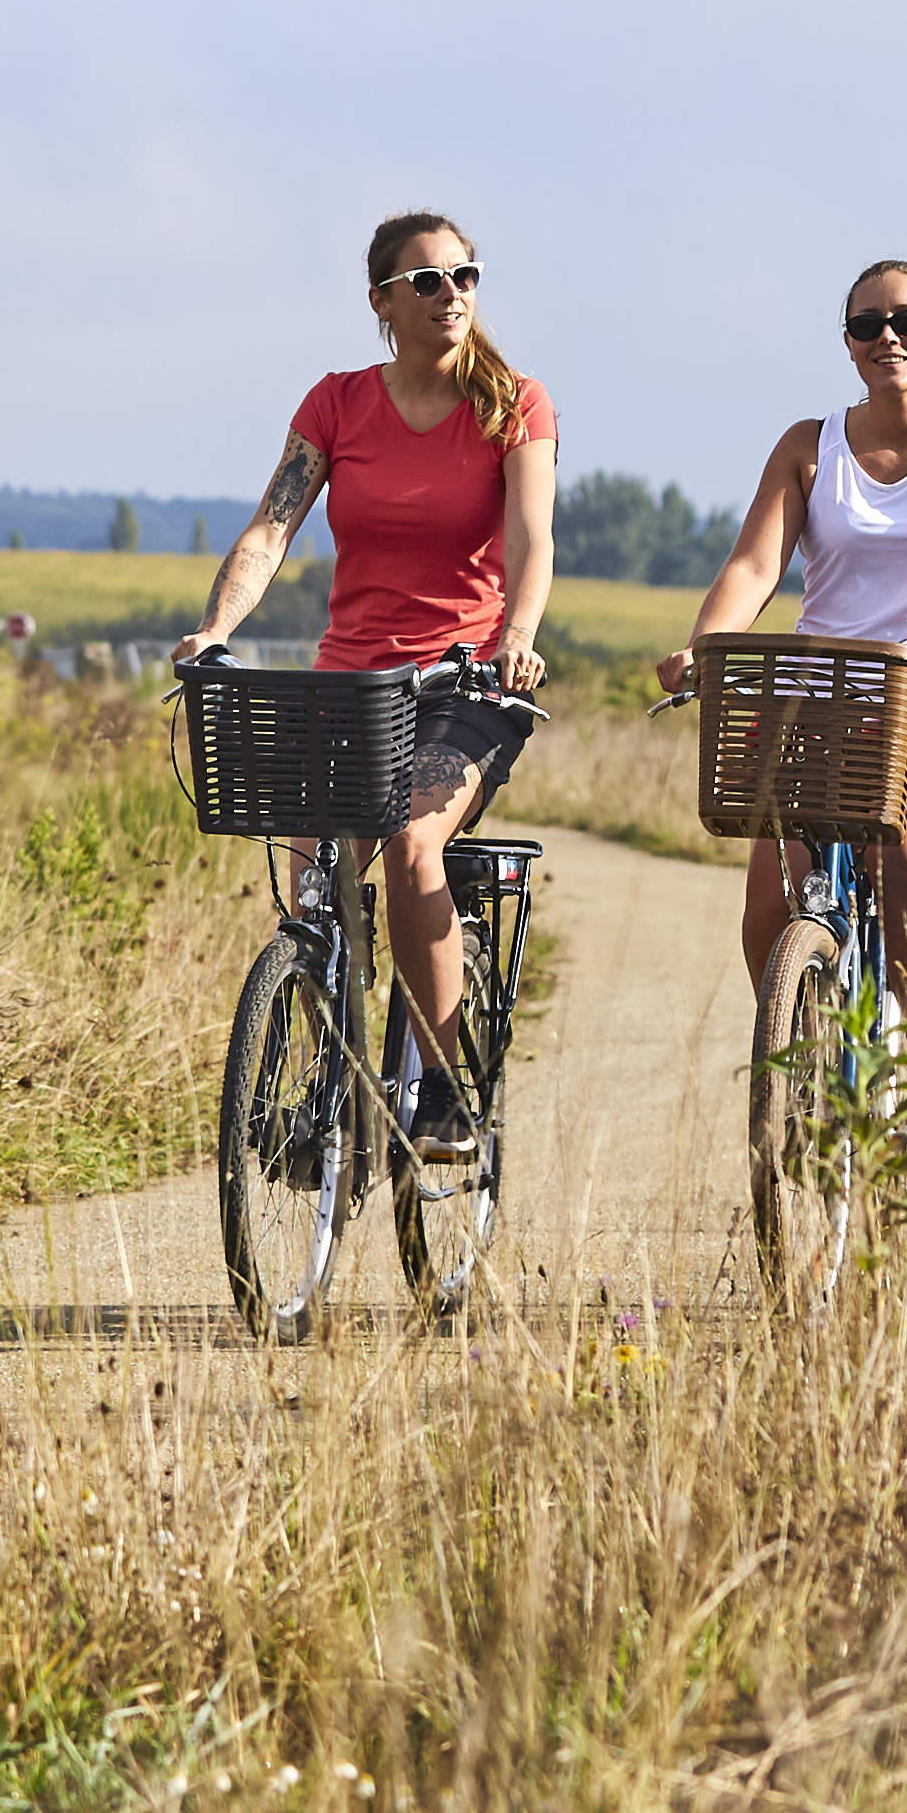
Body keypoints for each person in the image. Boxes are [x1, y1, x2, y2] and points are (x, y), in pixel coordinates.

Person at [172, 209, 558, 1157]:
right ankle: (323, 1076)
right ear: (382, 300)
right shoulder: (337, 404)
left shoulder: (512, 402)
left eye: (465, 276)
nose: (451, 295)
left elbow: (531, 539)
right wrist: (215, 629)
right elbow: (272, 526)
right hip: (350, 683)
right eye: (427, 281)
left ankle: (439, 1092)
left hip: (462, 682)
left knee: (411, 845)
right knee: (307, 879)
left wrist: (516, 635)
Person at [655, 258, 907, 1019]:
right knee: (769, 903)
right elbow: (755, 563)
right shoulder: (809, 444)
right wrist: (704, 646)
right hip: (818, 699)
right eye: (867, 325)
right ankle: (800, 1057)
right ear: (848, 343)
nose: (887, 337)